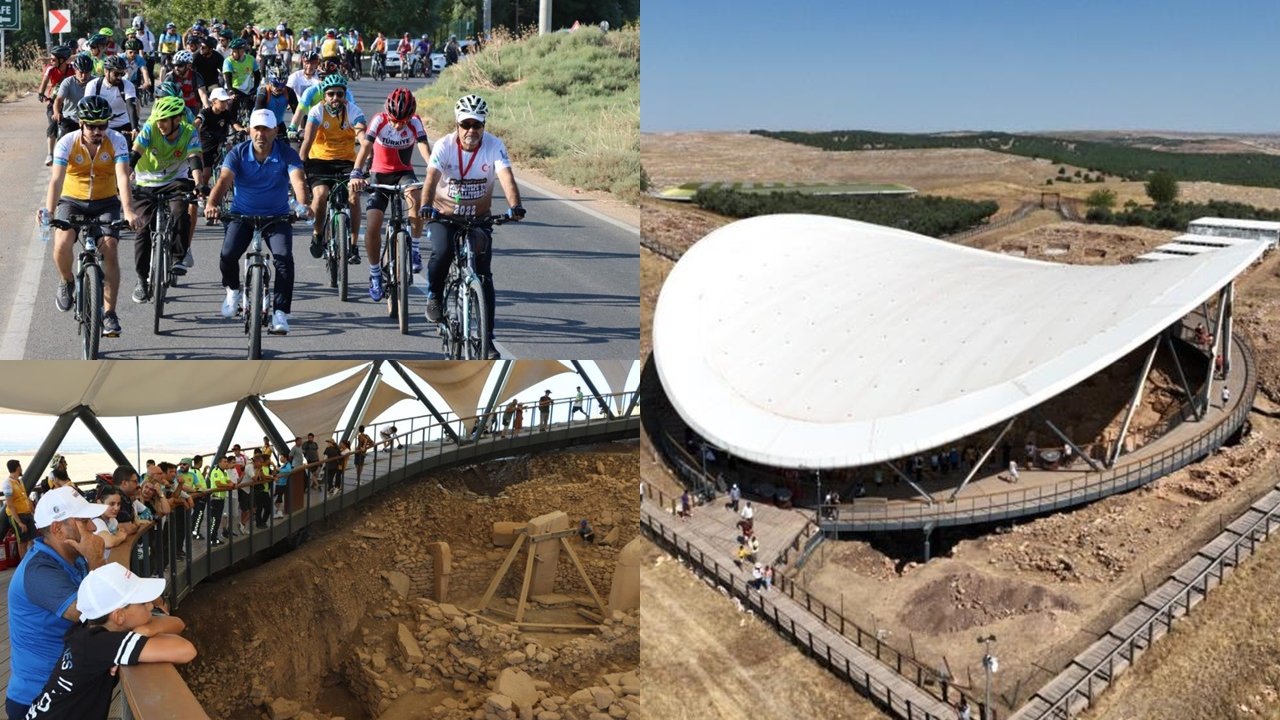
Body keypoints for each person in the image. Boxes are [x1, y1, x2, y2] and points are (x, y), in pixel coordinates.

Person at [420, 94, 525, 359]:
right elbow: (431, 178)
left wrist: (516, 206)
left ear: (484, 126)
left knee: (484, 276)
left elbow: (506, 177)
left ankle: (488, 340)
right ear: (457, 124)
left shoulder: (493, 146)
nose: (471, 131)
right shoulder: (444, 146)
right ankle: (434, 294)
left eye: (476, 125)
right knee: (442, 252)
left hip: (479, 218)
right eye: (466, 124)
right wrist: (425, 204)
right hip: (444, 214)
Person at [22, 563, 196, 720]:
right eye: (143, 603)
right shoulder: (102, 644)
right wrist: (146, 630)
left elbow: (178, 623)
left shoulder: (86, 630)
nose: (151, 606)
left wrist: (145, 630)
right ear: (119, 616)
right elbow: (186, 650)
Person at [204, 108, 311, 334]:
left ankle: (280, 313)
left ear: (274, 131)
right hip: (242, 216)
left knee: (283, 259)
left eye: (265, 129)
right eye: (256, 129)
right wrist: (212, 204)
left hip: (277, 217)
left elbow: (298, 181)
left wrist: (302, 206)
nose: (260, 134)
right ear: (250, 131)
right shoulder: (237, 153)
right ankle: (233, 291)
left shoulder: (286, 153)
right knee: (228, 254)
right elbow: (223, 181)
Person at [5, 486, 109, 719]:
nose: (93, 527)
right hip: (40, 698)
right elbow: (96, 614)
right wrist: (96, 560)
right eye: (83, 521)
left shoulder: (73, 558)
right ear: (57, 529)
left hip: (68, 687)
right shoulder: (39, 571)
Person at [43, 95, 139, 337]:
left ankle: (109, 313)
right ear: (81, 124)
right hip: (72, 201)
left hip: (105, 202)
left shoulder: (117, 141)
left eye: (103, 125)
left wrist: (128, 210)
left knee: (111, 250)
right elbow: (56, 179)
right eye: (92, 126)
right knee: (62, 243)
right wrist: (49, 212)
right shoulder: (67, 142)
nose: (98, 131)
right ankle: (67, 282)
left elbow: (123, 177)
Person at [350, 87, 432, 299]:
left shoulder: (415, 122)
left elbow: (425, 149)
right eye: (394, 120)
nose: (397, 125)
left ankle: (414, 249)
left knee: (416, 197)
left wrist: (434, 171)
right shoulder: (379, 120)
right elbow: (366, 147)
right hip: (379, 175)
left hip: (404, 173)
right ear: (388, 113)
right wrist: (357, 173)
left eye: (402, 121)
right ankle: (375, 273)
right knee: (374, 223)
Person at [129, 95, 203, 304]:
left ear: (177, 120)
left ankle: (178, 257)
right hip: (147, 180)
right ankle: (142, 280)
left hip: (175, 178)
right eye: (158, 120)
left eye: (165, 120)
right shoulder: (151, 128)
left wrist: (198, 183)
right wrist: (123, 178)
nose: (160, 124)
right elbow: (134, 155)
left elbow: (195, 159)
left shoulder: (189, 132)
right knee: (143, 228)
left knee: (181, 210)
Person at [299, 74, 366, 265]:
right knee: (320, 195)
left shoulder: (354, 111)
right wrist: (299, 168)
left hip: (347, 162)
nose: (335, 98)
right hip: (319, 160)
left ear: (345, 95)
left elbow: (364, 140)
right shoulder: (316, 111)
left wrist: (366, 163)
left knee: (353, 196)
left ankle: (353, 246)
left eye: (339, 94)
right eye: (331, 94)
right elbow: (307, 141)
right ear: (324, 96)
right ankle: (318, 234)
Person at [38, 46, 75, 165]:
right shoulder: (51, 69)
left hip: (68, 103)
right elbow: (44, 82)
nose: (51, 61)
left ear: (62, 60)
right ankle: (50, 154)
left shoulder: (72, 69)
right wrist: (41, 93)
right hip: (53, 101)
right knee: (52, 124)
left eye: (54, 59)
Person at [51, 53, 94, 140]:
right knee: (63, 141)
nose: (84, 76)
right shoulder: (68, 82)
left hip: (90, 120)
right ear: (75, 70)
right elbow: (58, 100)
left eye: (87, 73)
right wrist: (56, 113)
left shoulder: (95, 82)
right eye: (81, 72)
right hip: (70, 119)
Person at [4, 459, 35, 558]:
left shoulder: (20, 481)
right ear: (18, 468)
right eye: (20, 466)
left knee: (33, 540)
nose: (21, 468)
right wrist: (19, 522)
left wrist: (32, 510)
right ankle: (24, 565)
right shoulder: (7, 483)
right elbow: (10, 504)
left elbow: (25, 496)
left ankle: (32, 562)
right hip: (18, 516)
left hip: (27, 514)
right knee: (23, 543)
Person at [221, 38, 259, 116]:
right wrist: (230, 91)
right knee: (232, 109)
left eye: (234, 51)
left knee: (254, 109)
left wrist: (255, 88)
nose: (231, 53)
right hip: (234, 88)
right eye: (232, 51)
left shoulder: (251, 59)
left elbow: (257, 75)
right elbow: (227, 77)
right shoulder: (228, 61)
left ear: (241, 51)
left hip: (248, 90)